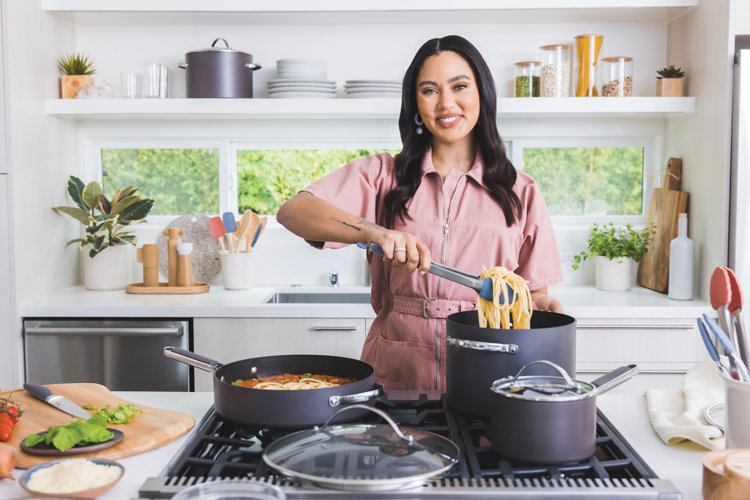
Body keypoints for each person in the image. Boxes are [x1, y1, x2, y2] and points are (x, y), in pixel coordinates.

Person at [276, 35, 564, 391]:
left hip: (488, 364)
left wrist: (541, 305)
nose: (446, 103)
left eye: (459, 86)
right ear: (415, 103)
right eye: (429, 90)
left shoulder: (520, 190)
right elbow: (294, 211)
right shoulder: (382, 175)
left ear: (482, 94)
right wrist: (374, 232)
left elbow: (534, 295)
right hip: (397, 365)